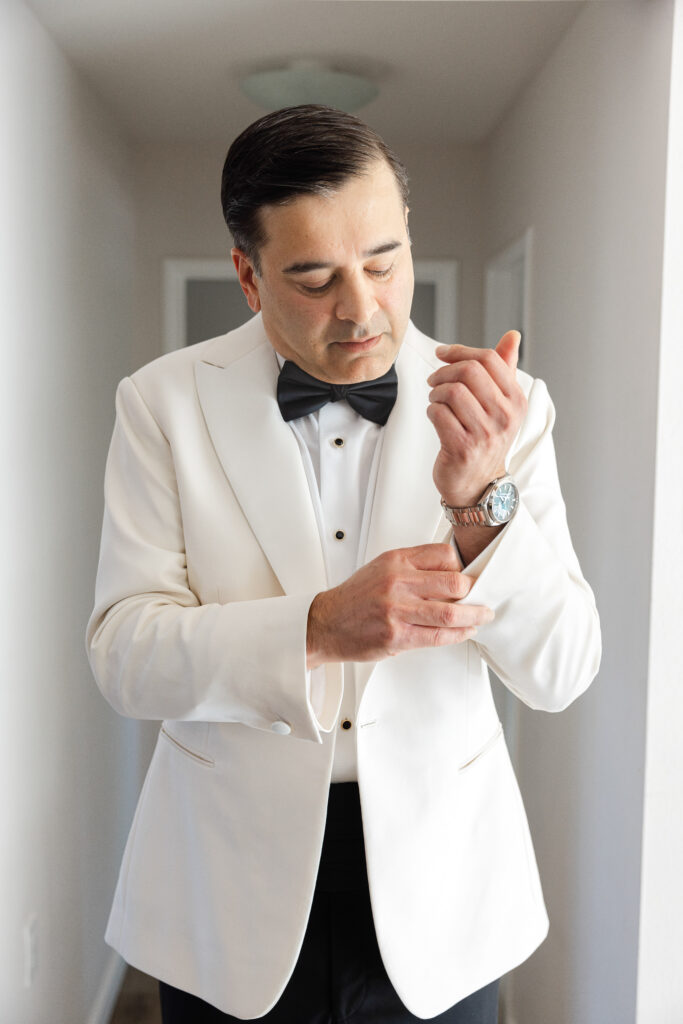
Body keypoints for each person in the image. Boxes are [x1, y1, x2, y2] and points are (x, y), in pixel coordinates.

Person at [86, 104, 601, 1023]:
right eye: (315, 277)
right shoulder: (158, 404)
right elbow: (126, 656)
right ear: (247, 276)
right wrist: (317, 628)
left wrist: (481, 504)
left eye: (383, 260)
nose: (361, 307)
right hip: (224, 886)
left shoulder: (510, 409)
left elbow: (561, 673)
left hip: (446, 891)